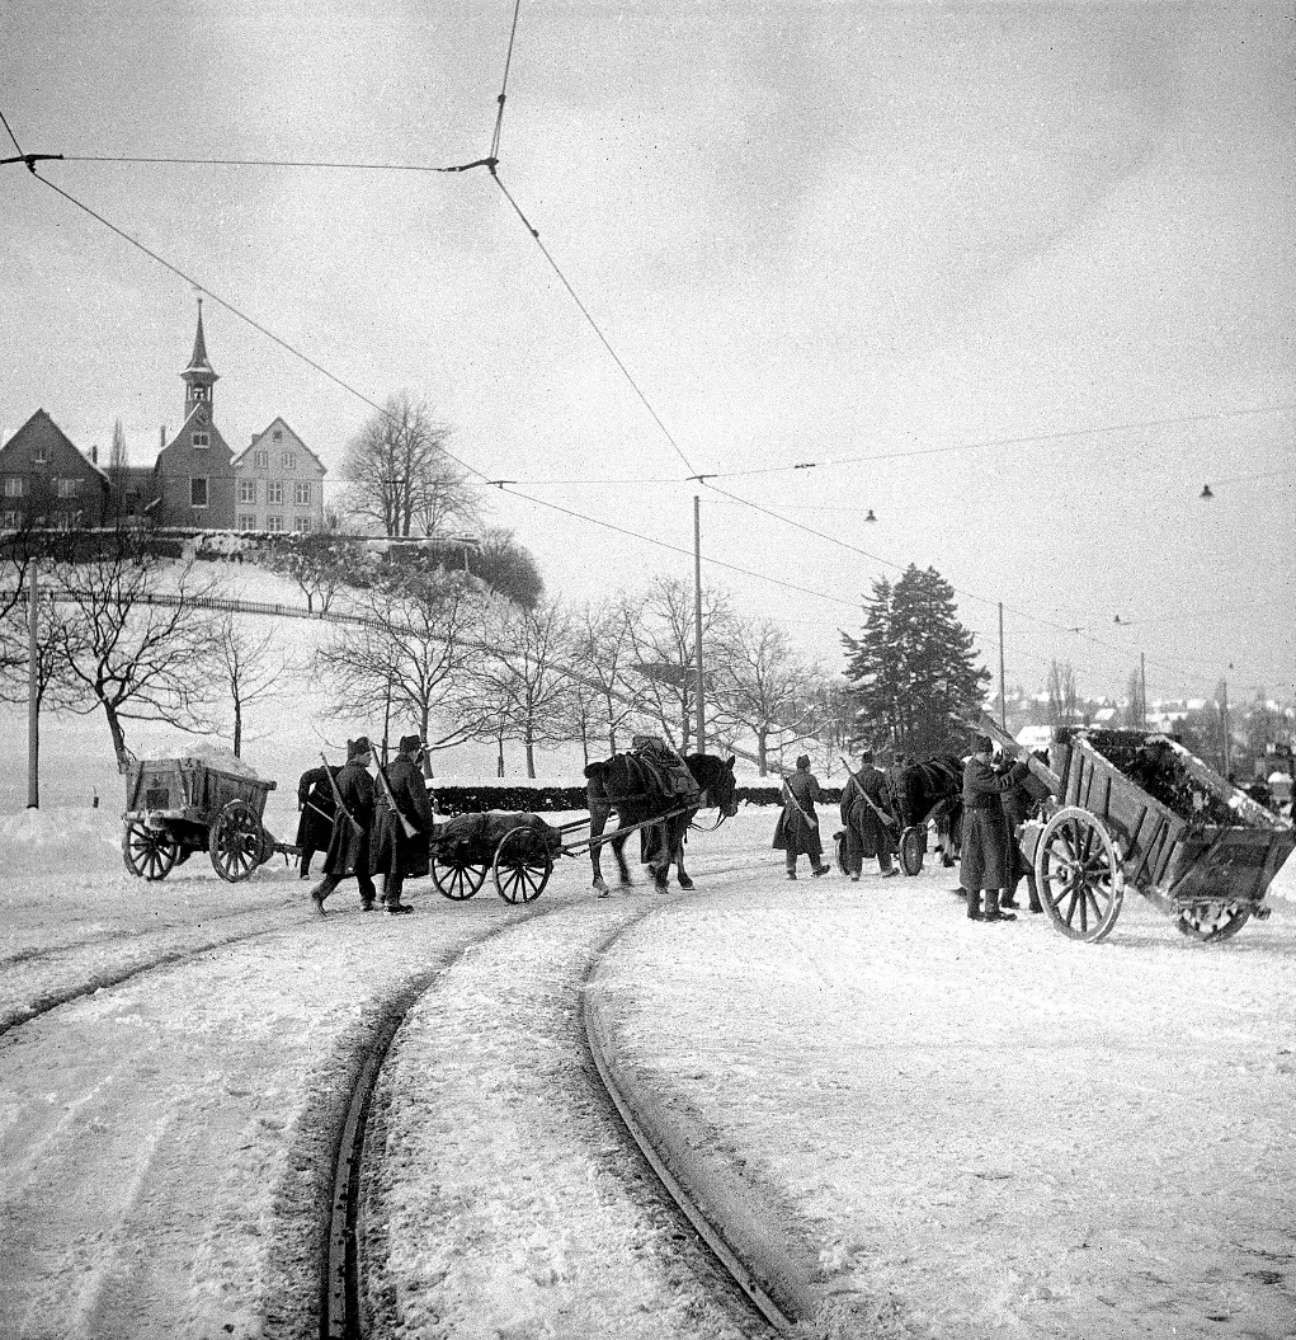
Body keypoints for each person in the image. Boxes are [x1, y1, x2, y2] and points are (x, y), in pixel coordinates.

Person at [958, 736, 1030, 922]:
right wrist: (1021, 765)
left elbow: (995, 775)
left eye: (990, 753)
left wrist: (1006, 764)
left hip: (981, 822)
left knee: (983, 863)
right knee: (991, 862)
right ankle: (985, 910)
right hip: (982, 823)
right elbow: (999, 784)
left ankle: (982, 909)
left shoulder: (978, 767)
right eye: (985, 754)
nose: (989, 757)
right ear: (975, 754)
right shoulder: (976, 771)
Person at [309, 736, 379, 915]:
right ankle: (319, 894)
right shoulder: (360, 774)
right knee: (345, 866)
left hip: (345, 823)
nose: (370, 758)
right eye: (367, 754)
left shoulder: (343, 773)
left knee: (358, 863)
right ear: (357, 756)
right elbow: (366, 801)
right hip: (357, 824)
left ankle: (368, 899)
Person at [370, 734, 434, 915]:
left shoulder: (385, 769)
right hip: (400, 820)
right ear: (414, 752)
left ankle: (385, 897)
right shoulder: (412, 771)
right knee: (398, 859)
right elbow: (420, 802)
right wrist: (427, 827)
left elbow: (375, 796)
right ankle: (392, 902)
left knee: (389, 858)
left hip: (382, 819)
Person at [839, 751, 898, 880]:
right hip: (872, 811)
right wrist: (888, 815)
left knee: (854, 842)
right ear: (873, 762)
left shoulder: (853, 778)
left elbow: (845, 801)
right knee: (881, 839)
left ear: (862, 762)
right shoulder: (878, 776)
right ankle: (887, 870)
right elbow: (884, 798)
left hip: (854, 811)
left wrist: (845, 820)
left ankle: (854, 872)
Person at [773, 754, 830, 879]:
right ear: (806, 767)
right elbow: (815, 795)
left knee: (791, 843)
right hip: (805, 814)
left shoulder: (789, 779)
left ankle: (790, 870)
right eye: (809, 765)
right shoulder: (810, 779)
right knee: (812, 841)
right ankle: (816, 867)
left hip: (789, 816)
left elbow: (785, 797)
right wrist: (825, 796)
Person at [998, 761, 1043, 913]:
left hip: (1009, 824)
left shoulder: (1005, 777)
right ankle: (1035, 902)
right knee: (1029, 860)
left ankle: (1006, 898)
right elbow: (1041, 793)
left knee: (1013, 861)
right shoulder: (1025, 776)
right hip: (1020, 822)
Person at [295, 763, 338, 879]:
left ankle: (331, 870)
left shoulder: (348, 778)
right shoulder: (330, 771)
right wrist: (303, 792)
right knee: (310, 841)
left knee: (332, 841)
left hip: (329, 810)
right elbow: (306, 776)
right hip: (314, 809)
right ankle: (304, 872)